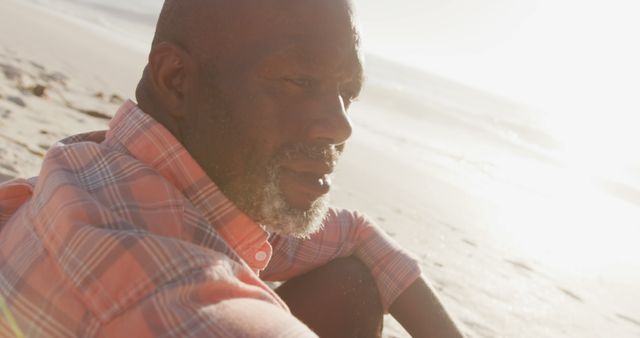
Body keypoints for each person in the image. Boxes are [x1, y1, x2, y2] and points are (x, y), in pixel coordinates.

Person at [0, 0, 463, 337]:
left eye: (348, 93)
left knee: (350, 282)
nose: (340, 126)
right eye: (299, 81)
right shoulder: (186, 310)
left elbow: (357, 235)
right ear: (176, 79)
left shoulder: (105, 168)